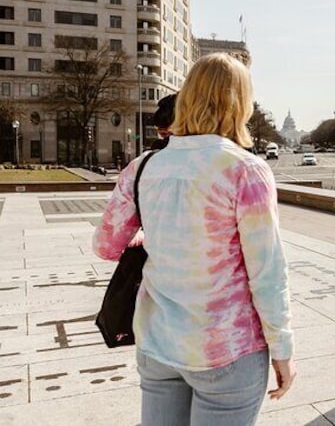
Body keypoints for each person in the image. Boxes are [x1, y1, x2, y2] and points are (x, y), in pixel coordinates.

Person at [93, 54, 296, 425]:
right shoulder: (245, 170)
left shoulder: (142, 167)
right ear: (239, 102)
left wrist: (157, 239)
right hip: (226, 348)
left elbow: (105, 246)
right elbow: (267, 272)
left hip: (157, 343)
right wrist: (282, 348)